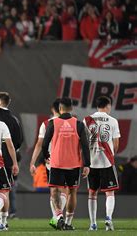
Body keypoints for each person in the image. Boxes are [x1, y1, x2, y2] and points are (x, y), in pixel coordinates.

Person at [42, 97, 91, 231]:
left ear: (60, 109)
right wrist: (87, 164)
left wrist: (46, 156)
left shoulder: (53, 123)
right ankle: (68, 222)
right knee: (72, 191)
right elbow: (85, 146)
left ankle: (58, 215)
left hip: (57, 163)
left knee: (55, 190)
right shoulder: (79, 124)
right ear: (72, 108)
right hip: (74, 163)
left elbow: (45, 143)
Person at [83, 96, 120, 231]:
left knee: (92, 193)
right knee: (109, 193)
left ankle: (93, 224)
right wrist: (112, 153)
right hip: (107, 161)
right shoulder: (113, 121)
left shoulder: (87, 120)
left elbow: (83, 142)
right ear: (108, 105)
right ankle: (108, 218)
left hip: (92, 162)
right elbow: (116, 144)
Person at [29, 98, 66, 229]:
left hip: (51, 161)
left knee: (54, 190)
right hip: (68, 161)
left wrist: (32, 162)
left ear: (53, 109)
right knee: (65, 191)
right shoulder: (71, 123)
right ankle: (57, 218)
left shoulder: (46, 124)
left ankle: (56, 217)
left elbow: (39, 144)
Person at [0, 92, 23, 225]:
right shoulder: (13, 119)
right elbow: (18, 141)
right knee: (5, 190)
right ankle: (3, 222)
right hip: (8, 159)